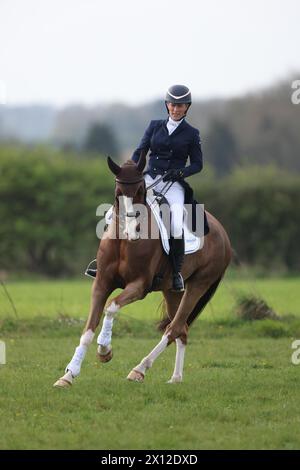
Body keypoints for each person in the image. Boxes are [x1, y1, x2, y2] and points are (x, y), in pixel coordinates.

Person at [132, 84, 203, 292]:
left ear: (187, 107)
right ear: (167, 105)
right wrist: (132, 170)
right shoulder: (154, 126)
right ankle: (104, 263)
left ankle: (176, 273)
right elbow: (140, 152)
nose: (175, 108)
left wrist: (180, 172)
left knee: (174, 224)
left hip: (173, 185)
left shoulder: (191, 133)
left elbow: (198, 165)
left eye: (180, 105)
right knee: (119, 210)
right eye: (172, 104)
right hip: (149, 178)